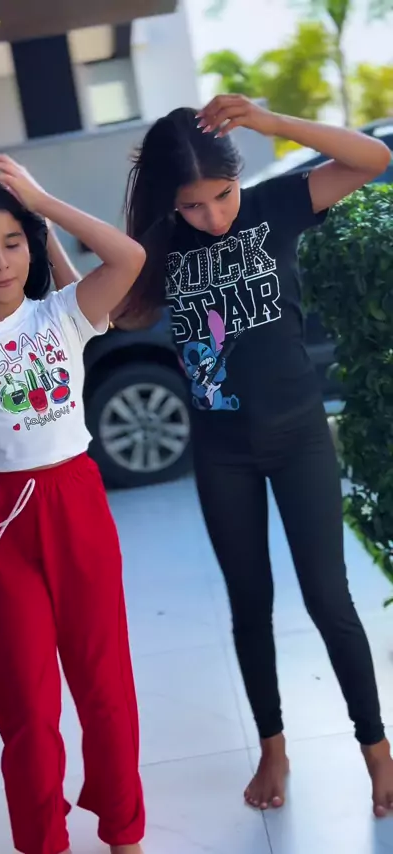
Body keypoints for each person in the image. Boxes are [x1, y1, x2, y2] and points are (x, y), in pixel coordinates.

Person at [115, 95, 393, 817]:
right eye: (193, 204)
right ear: (170, 202)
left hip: (299, 436)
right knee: (249, 603)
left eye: (222, 194)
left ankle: (376, 749)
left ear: (241, 177)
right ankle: (273, 745)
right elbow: (111, 308)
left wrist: (273, 123)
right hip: (223, 451)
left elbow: (374, 158)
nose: (213, 215)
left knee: (329, 597)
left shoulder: (275, 206)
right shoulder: (161, 245)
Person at [0, 154, 147, 854]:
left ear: (32, 243)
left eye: (12, 243)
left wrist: (43, 206)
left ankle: (125, 833)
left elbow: (129, 257)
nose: (0, 262)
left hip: (75, 500)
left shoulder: (63, 314)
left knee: (105, 685)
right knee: (25, 703)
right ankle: (43, 841)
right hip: (2, 518)